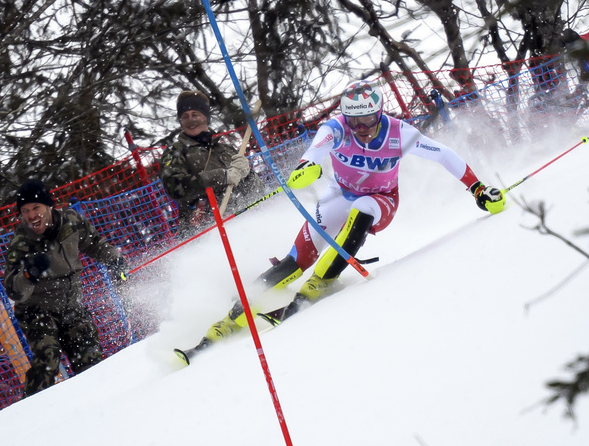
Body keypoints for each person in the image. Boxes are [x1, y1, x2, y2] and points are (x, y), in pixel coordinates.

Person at [202, 79, 506, 341]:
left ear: (380, 112)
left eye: (368, 120)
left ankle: (315, 287)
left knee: (362, 208)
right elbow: (312, 155)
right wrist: (306, 169)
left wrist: (477, 188)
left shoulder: (399, 133)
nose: (361, 128)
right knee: (299, 257)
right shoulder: (336, 129)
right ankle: (235, 313)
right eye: (354, 121)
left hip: (381, 199)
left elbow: (444, 155)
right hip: (339, 194)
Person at [3, 179, 130, 396]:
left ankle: (96, 403)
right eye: (25, 211)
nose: (31, 216)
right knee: (48, 360)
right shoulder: (22, 242)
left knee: (91, 359)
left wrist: (114, 260)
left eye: (36, 208)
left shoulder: (71, 221)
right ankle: (30, 412)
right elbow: (14, 291)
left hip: (71, 304)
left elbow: (95, 244)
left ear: (49, 206)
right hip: (37, 311)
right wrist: (28, 274)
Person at [159, 90, 252, 231]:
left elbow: (257, 191)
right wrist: (222, 176)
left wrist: (248, 173)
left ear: (206, 117)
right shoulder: (175, 151)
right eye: (185, 116)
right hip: (203, 234)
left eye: (195, 114)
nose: (190, 120)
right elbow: (174, 186)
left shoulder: (226, 150)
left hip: (244, 222)